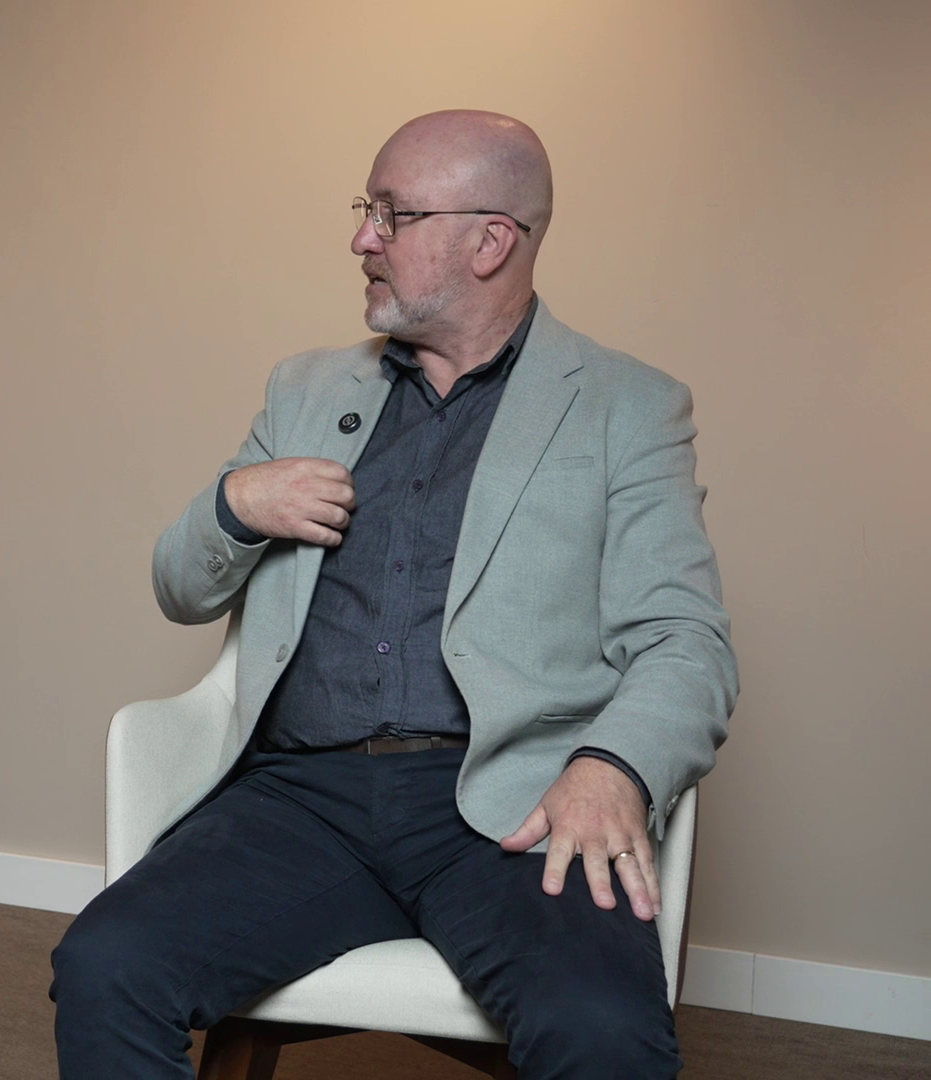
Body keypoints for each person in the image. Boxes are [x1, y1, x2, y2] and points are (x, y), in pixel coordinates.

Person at [50, 110, 737, 1079]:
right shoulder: (305, 389)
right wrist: (236, 507)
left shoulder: (627, 405)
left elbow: (684, 640)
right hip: (303, 800)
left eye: (392, 215)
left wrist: (613, 766)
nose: (361, 240)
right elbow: (179, 588)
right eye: (365, 211)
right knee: (105, 966)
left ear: (490, 242)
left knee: (601, 1030)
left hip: (516, 808)